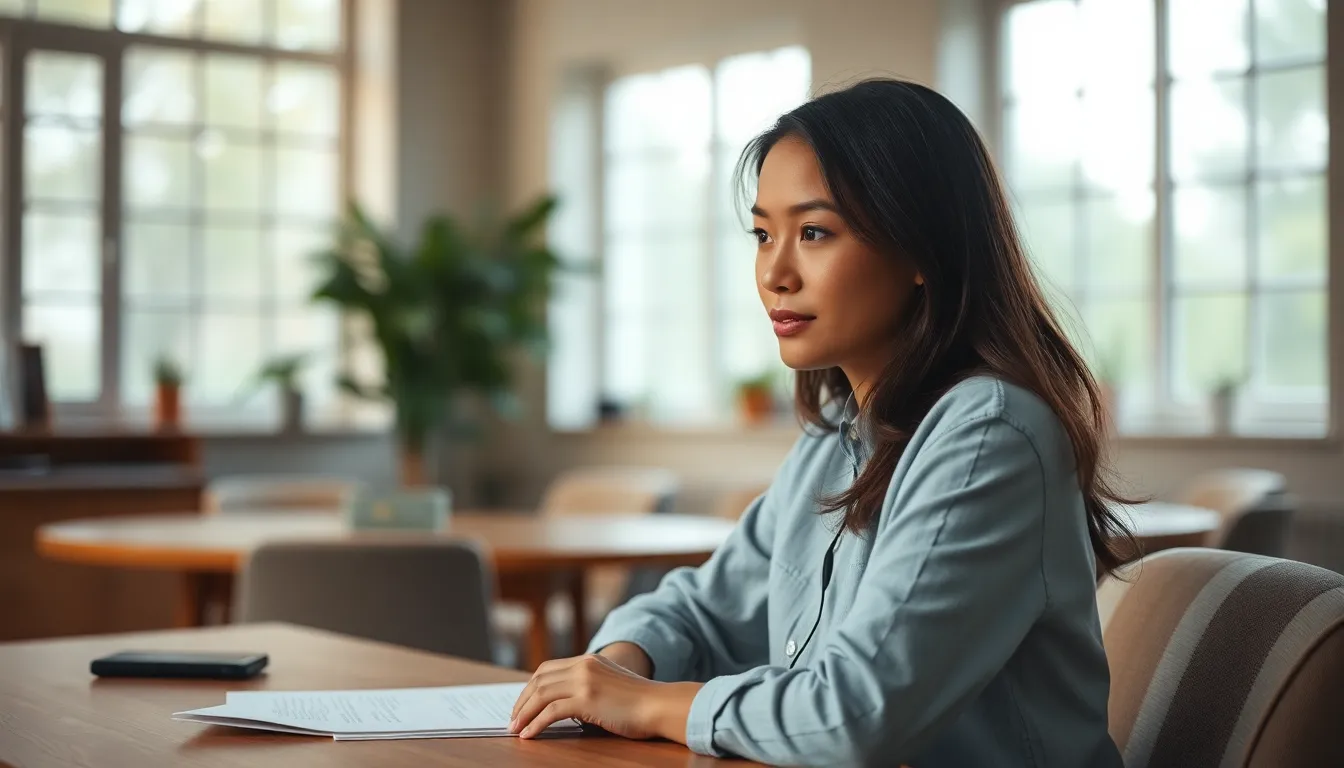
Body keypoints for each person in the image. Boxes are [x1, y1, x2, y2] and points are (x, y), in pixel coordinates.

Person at [509, 78, 1132, 767]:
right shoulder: (837, 435)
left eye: (813, 233)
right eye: (761, 233)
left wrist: (647, 704)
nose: (775, 272)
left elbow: (858, 712)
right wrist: (623, 664)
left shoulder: (993, 434)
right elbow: (705, 609)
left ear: (922, 250)